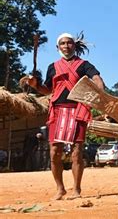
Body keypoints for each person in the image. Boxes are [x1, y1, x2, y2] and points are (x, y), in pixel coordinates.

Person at [26, 32, 105, 200]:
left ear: (74, 46)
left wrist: (100, 90)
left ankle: (76, 189)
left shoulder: (84, 65)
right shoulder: (52, 67)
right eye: (63, 43)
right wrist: (35, 85)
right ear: (58, 47)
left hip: (78, 109)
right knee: (54, 151)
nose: (66, 46)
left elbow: (97, 79)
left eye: (69, 43)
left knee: (77, 151)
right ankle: (60, 189)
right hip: (58, 111)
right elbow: (47, 89)